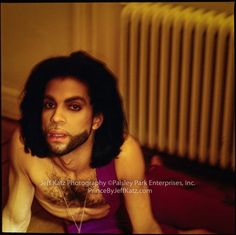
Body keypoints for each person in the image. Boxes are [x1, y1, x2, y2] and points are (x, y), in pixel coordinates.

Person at [3, 51, 229, 234]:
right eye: (49, 105)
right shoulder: (25, 146)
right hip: (96, 224)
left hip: (140, 190)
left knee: (225, 219)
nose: (56, 118)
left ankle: (158, 172)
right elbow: (14, 219)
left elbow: (145, 228)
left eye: (74, 107)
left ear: (96, 120)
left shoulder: (124, 153)